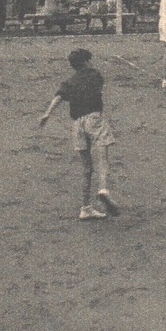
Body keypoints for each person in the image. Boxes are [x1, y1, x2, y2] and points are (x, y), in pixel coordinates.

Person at [38, 49, 120, 221]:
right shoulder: (94, 74)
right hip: (93, 119)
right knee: (102, 155)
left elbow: (59, 96)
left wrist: (47, 113)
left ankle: (85, 208)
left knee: (86, 168)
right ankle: (103, 188)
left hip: (76, 124)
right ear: (87, 62)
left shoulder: (70, 81)